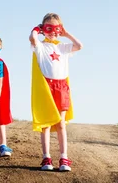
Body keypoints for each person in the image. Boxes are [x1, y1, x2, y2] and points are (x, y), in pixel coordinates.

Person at [29, 13, 83, 172]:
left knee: (60, 124)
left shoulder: (63, 47)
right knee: (45, 124)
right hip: (46, 88)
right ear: (42, 29)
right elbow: (32, 39)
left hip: (61, 87)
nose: (53, 31)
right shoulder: (40, 46)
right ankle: (46, 157)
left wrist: (66, 34)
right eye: (48, 28)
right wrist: (36, 30)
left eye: (56, 28)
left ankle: (64, 157)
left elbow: (79, 46)